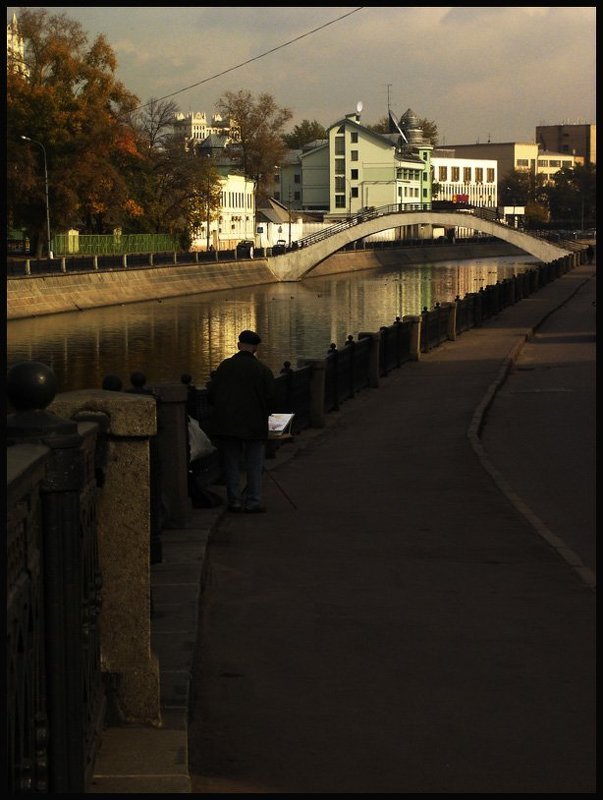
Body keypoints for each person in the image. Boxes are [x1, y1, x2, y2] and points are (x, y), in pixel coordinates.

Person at [207, 330, 276, 513]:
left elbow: (212, 395)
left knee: (231, 463)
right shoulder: (262, 370)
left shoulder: (224, 367)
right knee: (255, 464)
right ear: (255, 349)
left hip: (227, 425)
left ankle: (234, 501)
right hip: (254, 425)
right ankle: (253, 501)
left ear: (238, 345)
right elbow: (272, 398)